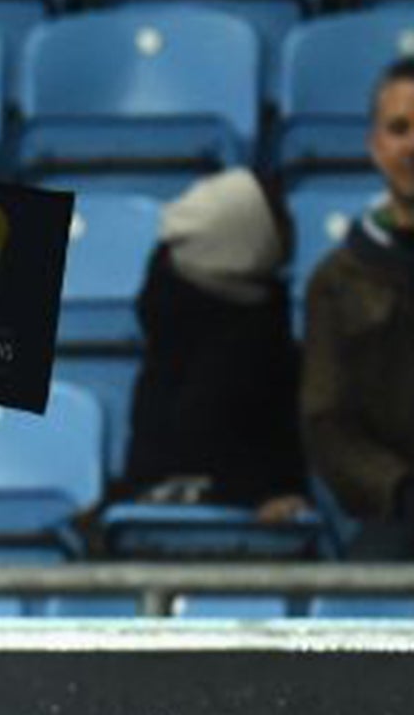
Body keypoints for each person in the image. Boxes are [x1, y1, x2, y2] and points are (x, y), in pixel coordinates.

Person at [117, 169, 310, 524]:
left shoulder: (171, 314)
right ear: (250, 239)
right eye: (278, 220)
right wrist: (262, 495)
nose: (290, 235)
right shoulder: (246, 339)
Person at [303, 56, 414, 559]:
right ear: (375, 146)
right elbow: (326, 420)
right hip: (394, 518)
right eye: (399, 128)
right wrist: (399, 490)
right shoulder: (337, 279)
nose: (412, 145)